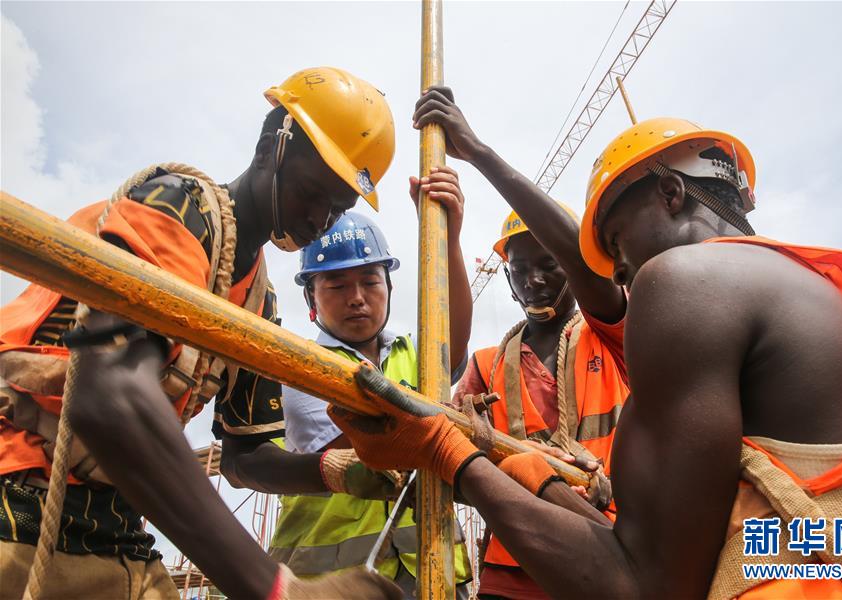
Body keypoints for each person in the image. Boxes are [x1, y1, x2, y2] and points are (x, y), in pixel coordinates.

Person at [329, 95, 842, 599]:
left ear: (672, 194)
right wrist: (540, 479)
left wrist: (448, 456)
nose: (618, 269)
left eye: (617, 240)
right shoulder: (803, 287)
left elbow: (644, 588)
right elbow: (773, 532)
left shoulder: (687, 283)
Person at [0, 67, 401, 600]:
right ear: (268, 148)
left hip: (114, 517)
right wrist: (278, 588)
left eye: (338, 207)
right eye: (312, 192)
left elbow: (244, 457)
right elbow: (108, 395)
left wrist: (332, 470)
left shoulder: (259, 302)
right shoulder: (179, 206)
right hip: (21, 492)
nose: (318, 218)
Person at [427, 90, 627, 598]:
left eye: (549, 266)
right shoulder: (488, 365)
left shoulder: (610, 336)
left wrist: (478, 152)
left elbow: (591, 272)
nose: (534, 281)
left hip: (611, 544)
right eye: (520, 270)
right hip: (515, 560)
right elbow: (453, 459)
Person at [258, 197, 473, 598]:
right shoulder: (300, 367)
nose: (356, 297)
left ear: (389, 287)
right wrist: (434, 420)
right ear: (311, 299)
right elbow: (368, 445)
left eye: (370, 282)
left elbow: (453, 345)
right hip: (332, 582)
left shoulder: (413, 354)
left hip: (432, 570)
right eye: (336, 285)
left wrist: (451, 238)